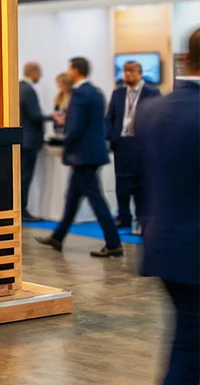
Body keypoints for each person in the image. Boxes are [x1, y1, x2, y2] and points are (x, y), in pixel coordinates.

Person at [134, 29, 200, 385]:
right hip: (195, 257)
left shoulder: (154, 109)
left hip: (166, 249)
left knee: (185, 359)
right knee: (185, 364)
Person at [37, 57, 122, 258]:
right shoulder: (96, 92)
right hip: (93, 152)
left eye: (70, 69)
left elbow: (74, 127)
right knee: (73, 198)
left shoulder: (80, 94)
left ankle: (114, 243)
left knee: (96, 198)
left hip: (83, 155)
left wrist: (66, 147)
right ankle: (58, 237)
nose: (68, 72)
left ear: (76, 71)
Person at [105, 59, 160, 231]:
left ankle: (142, 220)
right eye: (125, 71)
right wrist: (110, 137)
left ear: (140, 73)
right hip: (121, 144)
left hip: (141, 145)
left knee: (140, 185)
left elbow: (157, 118)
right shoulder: (118, 93)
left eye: (131, 71)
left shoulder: (152, 92)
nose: (127, 74)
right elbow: (110, 117)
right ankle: (123, 217)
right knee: (121, 185)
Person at [19, 62, 48, 221]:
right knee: (25, 176)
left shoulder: (18, 88)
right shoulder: (28, 90)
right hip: (30, 141)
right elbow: (35, 115)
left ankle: (19, 208)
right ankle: (23, 210)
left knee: (21, 176)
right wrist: (53, 117)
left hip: (21, 139)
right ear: (34, 72)